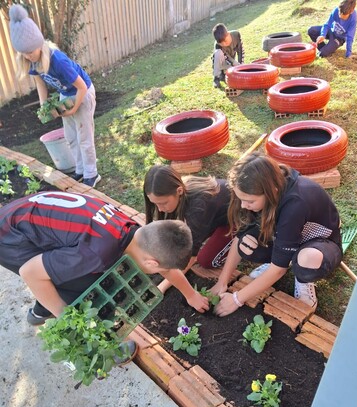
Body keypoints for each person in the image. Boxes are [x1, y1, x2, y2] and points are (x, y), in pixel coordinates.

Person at [0, 191, 209, 334]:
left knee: (73, 271)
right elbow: (30, 272)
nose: (162, 272)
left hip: (29, 215)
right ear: (153, 264)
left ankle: (40, 310)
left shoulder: (135, 231)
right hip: (10, 238)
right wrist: (69, 320)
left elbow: (164, 263)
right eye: (161, 269)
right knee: (81, 288)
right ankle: (48, 311)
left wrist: (191, 294)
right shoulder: (95, 254)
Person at [210, 153, 343, 317]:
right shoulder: (261, 191)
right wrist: (222, 282)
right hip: (288, 234)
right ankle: (281, 258)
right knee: (246, 242)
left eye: (250, 201)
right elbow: (239, 238)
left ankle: (302, 280)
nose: (244, 205)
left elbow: (278, 271)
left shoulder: (295, 204)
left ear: (272, 190)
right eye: (241, 199)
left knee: (307, 259)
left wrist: (236, 299)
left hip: (320, 243)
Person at [9, 5, 100, 187]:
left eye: (30, 52)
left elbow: (81, 87)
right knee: (71, 136)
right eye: (24, 53)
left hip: (82, 92)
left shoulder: (58, 60)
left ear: (39, 46)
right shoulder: (32, 62)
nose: (28, 56)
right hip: (65, 93)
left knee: (84, 136)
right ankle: (80, 170)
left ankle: (92, 173)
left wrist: (73, 108)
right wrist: (44, 107)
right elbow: (40, 84)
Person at [144, 164, 233, 293]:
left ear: (179, 191)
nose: (160, 209)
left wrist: (163, 286)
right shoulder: (178, 189)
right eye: (155, 204)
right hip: (215, 214)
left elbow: (191, 256)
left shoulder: (198, 208)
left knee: (206, 260)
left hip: (238, 219)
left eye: (163, 203)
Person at [212, 23, 244, 89]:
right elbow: (226, 57)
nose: (224, 44)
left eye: (225, 41)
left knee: (236, 71)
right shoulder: (218, 45)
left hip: (230, 62)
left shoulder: (236, 35)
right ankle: (216, 78)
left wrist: (241, 65)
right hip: (222, 62)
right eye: (222, 43)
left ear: (228, 34)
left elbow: (240, 51)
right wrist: (233, 62)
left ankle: (225, 74)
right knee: (218, 53)